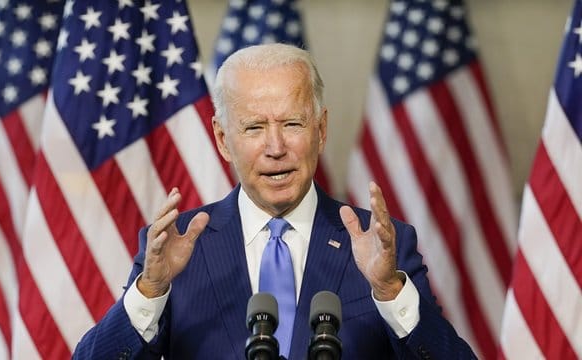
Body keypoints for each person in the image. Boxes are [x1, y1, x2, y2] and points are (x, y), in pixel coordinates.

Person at [73, 43, 475, 359]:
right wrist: (150, 291)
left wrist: (389, 290)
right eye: (254, 127)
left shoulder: (382, 245)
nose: (275, 147)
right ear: (223, 139)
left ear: (320, 130)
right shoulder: (176, 250)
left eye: (292, 124)